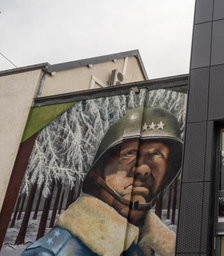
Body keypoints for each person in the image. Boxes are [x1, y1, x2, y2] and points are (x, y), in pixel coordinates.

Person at [22, 107, 183, 256]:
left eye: (157, 154)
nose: (143, 169)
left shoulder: (141, 245)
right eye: (130, 152)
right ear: (99, 169)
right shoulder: (50, 253)